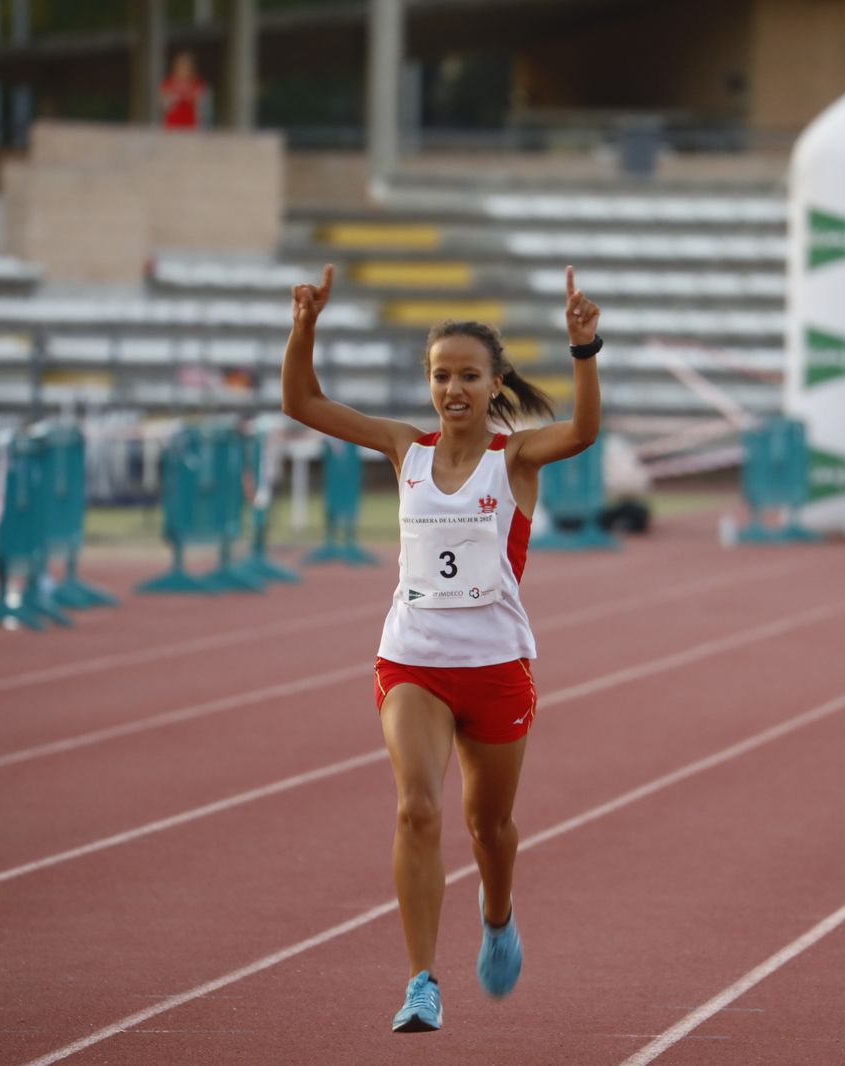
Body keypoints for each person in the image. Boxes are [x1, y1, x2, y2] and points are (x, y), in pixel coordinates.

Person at [280, 263, 603, 1033]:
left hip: (495, 669)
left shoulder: (514, 459)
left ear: (495, 385)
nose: (452, 389)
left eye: (467, 376)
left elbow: (585, 432)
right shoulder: (405, 449)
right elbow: (303, 402)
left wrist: (584, 350)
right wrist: (304, 325)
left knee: (487, 828)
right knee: (416, 810)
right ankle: (422, 980)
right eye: (439, 375)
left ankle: (497, 915)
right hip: (413, 660)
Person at [160, 51, 208, 130]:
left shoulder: (197, 83)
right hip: (172, 126)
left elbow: (202, 106)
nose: (183, 70)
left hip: (191, 127)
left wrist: (192, 97)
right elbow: (164, 106)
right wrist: (174, 98)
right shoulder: (168, 83)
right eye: (181, 66)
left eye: (186, 67)